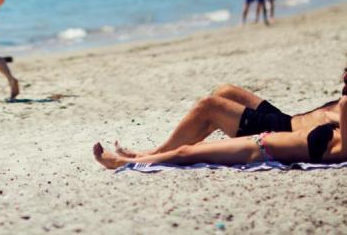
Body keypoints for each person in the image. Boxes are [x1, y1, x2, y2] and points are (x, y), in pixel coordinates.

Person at [94, 77, 347, 169]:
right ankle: (152, 153)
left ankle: (155, 153)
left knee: (209, 106)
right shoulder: (340, 101)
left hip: (282, 133)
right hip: (286, 120)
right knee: (225, 91)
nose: (343, 75)